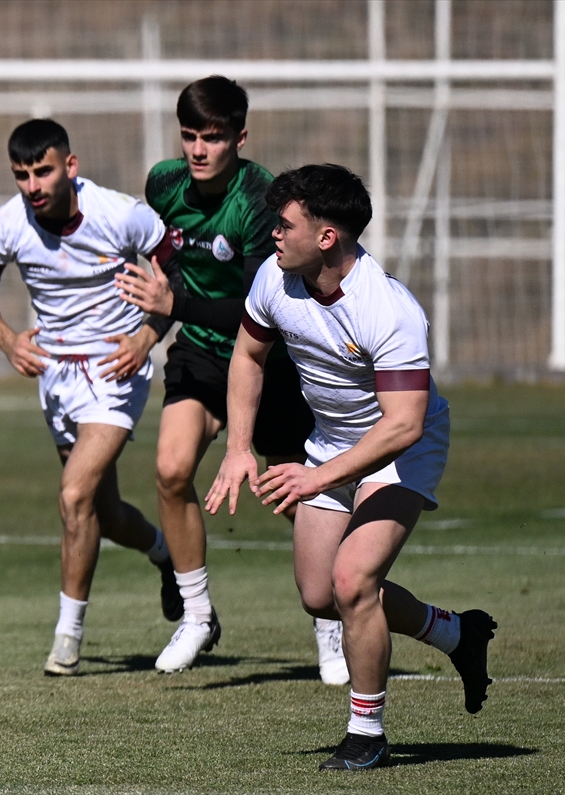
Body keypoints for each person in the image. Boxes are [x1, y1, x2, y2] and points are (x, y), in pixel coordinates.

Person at [205, 163, 496, 770]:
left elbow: (403, 424)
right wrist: (238, 448)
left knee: (352, 582)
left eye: (285, 225)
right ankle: (455, 634)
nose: (273, 235)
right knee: (319, 595)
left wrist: (317, 477)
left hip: (401, 450)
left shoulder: (387, 309)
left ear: (328, 236)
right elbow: (248, 357)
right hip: (329, 444)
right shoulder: (274, 277)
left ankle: (368, 732)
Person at [116, 76, 345, 681]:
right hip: (196, 352)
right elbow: (165, 270)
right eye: (189, 135)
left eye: (212, 138)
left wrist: (171, 311)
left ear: (239, 138)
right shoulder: (163, 183)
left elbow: (253, 308)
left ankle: (331, 622)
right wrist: (149, 330)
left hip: (264, 358)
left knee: (292, 492)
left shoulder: (260, 199)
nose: (197, 149)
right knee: (169, 469)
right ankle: (196, 616)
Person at [0, 119, 181, 676]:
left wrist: (146, 336)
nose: (33, 185)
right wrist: (9, 341)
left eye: (43, 171)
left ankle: (67, 636)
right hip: (55, 375)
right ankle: (166, 555)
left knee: (74, 493)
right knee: (100, 512)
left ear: (70, 166)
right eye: (21, 175)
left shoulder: (121, 214)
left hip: (115, 368)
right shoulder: (8, 224)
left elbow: (179, 279)